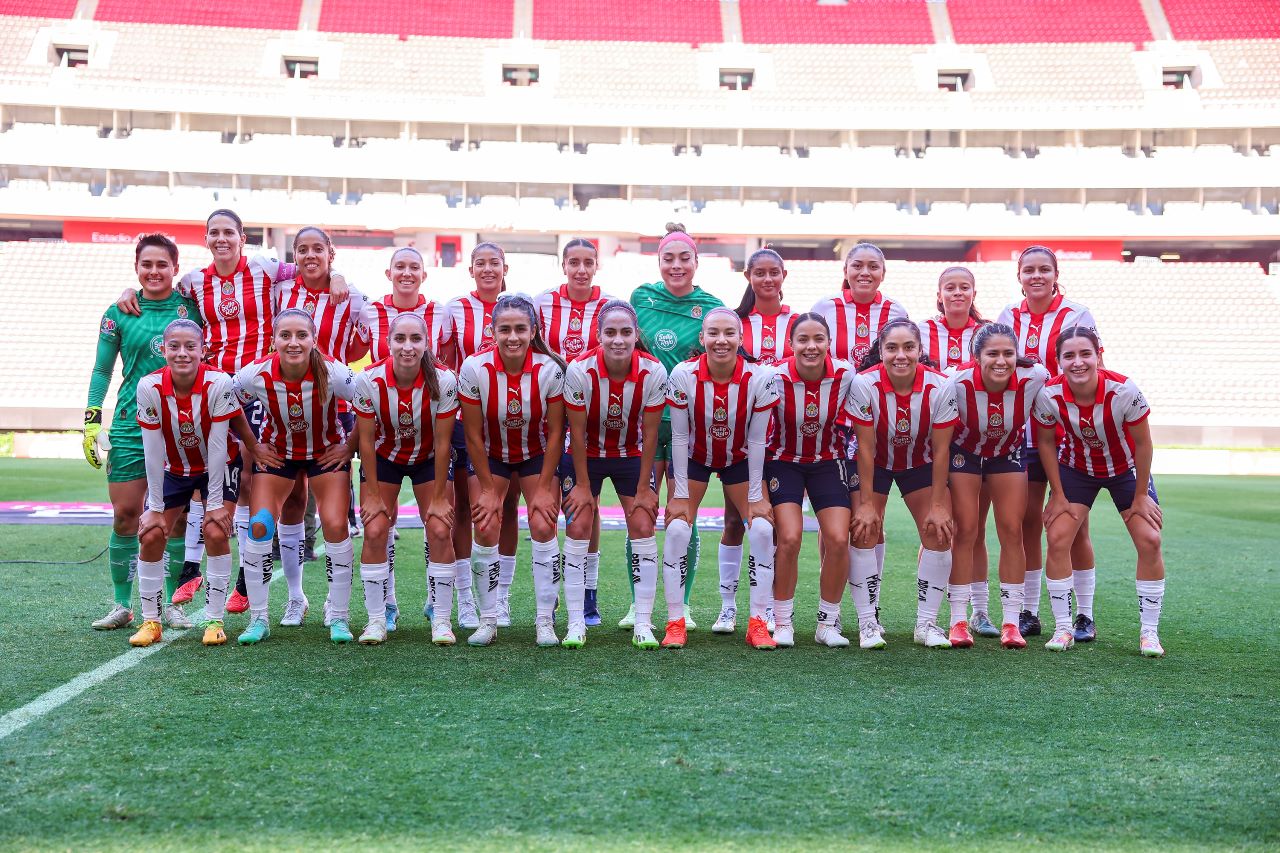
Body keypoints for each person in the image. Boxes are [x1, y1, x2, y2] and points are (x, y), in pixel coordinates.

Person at [113, 209, 329, 615]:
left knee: (249, 476)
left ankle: (246, 582)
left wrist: (336, 278)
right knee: (202, 468)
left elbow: (307, 265)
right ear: (206, 238)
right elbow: (158, 290)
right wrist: (130, 292)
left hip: (259, 386)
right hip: (212, 388)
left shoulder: (266, 268)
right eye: (214, 233)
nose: (221, 239)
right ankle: (192, 568)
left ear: (242, 237)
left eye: (229, 232)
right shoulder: (194, 281)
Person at [84, 233, 203, 631]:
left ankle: (172, 603)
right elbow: (103, 370)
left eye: (162, 264)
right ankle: (122, 604)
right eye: (146, 264)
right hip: (131, 424)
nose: (154, 271)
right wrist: (91, 419)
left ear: (175, 267)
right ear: (137, 267)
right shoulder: (119, 312)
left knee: (177, 517)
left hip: (180, 423)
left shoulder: (190, 308)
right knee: (126, 514)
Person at [1031, 326, 1166, 656]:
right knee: (1058, 537)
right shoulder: (1049, 394)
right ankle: (1064, 627)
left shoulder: (1123, 390)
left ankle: (1149, 633)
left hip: (1125, 470)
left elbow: (1144, 443)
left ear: (1098, 355)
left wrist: (1140, 495)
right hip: (1078, 470)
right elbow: (1046, 443)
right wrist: (1059, 494)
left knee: (1150, 539)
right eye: (1069, 356)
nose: (1078, 362)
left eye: (1085, 354)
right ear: (1059, 361)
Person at [231, 308, 359, 645]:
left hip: (325, 453)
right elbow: (225, 402)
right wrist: (253, 445)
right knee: (259, 525)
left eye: (301, 335)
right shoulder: (255, 374)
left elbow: (371, 400)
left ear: (314, 340)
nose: (293, 342)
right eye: (285, 335)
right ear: (273, 340)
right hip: (278, 454)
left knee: (334, 523)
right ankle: (260, 617)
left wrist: (349, 447)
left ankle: (338, 612)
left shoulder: (333, 373)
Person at [997, 246, 1102, 641]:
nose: (1036, 276)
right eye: (1029, 270)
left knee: (1074, 525)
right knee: (1027, 523)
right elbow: (1004, 364)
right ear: (1019, 276)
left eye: (1044, 269)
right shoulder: (1009, 315)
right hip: (1022, 431)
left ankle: (1084, 615)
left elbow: (1091, 368)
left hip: (1065, 433)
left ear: (1056, 274)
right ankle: (1028, 610)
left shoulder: (1077, 314)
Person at [130, 319, 252, 647]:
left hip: (219, 464)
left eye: (190, 347)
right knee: (152, 533)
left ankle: (214, 619)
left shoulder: (218, 383)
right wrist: (155, 508)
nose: (182, 353)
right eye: (174, 347)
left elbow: (217, 446)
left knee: (214, 530)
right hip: (173, 468)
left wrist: (214, 505)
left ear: (203, 350)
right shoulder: (149, 387)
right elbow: (152, 450)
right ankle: (151, 621)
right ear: (163, 350)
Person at [663, 308, 780, 650]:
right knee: (677, 528)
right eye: (713, 333)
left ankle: (757, 622)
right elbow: (681, 438)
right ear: (702, 339)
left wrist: (757, 495)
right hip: (695, 457)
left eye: (729, 333)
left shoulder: (758, 377)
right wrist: (680, 494)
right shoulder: (683, 374)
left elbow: (758, 440)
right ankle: (674, 621)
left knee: (761, 528)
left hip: (739, 460)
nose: (721, 340)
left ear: (741, 339)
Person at [629, 223, 725, 631]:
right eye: (668, 258)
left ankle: (680, 603)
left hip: (689, 423)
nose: (676, 265)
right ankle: (640, 604)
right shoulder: (640, 298)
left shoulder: (712, 305)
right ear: (659, 262)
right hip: (646, 422)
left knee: (682, 512)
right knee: (642, 512)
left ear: (696, 262)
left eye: (684, 258)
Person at [457, 294, 567, 647]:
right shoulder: (474, 368)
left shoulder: (550, 369)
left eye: (521, 328)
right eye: (504, 329)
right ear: (492, 331)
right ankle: (488, 619)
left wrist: (547, 487)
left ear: (533, 330)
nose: (513, 337)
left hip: (537, 454)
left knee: (541, 520)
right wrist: (488, 488)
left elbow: (555, 434)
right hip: (492, 455)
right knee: (487, 522)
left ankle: (545, 620)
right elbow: (472, 434)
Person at [276, 227, 369, 629]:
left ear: (332, 253)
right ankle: (296, 598)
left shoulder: (351, 296)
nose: (310, 255)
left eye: (318, 249)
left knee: (335, 512)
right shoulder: (279, 290)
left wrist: (341, 279)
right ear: (293, 254)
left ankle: (336, 603)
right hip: (287, 403)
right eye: (303, 249)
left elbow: (365, 344)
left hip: (335, 407)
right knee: (293, 501)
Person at [812, 241, 909, 624]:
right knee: (834, 519)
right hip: (833, 424)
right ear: (846, 270)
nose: (864, 272)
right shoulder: (825, 307)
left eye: (872, 266)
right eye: (857, 265)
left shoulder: (895, 310)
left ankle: (872, 606)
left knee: (873, 517)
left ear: (883, 273)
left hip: (875, 424)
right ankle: (830, 608)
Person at [562, 300, 667, 648]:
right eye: (610, 332)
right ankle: (576, 622)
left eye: (625, 332)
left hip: (631, 454)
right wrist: (580, 484)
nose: (618, 340)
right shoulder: (580, 370)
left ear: (636, 335)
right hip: (586, 454)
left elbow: (650, 433)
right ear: (598, 335)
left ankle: (643, 623)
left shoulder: (653, 371)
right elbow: (575, 433)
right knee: (578, 523)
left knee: (642, 522)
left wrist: (645, 488)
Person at [848, 319, 959, 650]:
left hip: (920, 463)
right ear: (880, 351)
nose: (901, 355)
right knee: (864, 528)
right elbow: (865, 448)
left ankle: (926, 624)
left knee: (940, 531)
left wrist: (939, 505)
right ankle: (868, 622)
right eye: (892, 348)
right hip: (876, 462)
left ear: (920, 350)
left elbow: (942, 451)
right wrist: (866, 503)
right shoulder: (864, 384)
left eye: (908, 347)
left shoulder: (940, 386)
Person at [357, 245, 451, 627]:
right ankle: (381, 615)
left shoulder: (443, 381)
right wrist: (375, 495)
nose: (407, 346)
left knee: (441, 526)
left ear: (428, 342)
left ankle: (440, 614)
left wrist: (442, 496)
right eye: (399, 340)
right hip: (385, 454)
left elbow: (444, 443)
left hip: (428, 454)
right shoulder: (371, 379)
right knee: (377, 525)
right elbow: (365, 442)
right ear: (389, 342)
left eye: (415, 339)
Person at [946, 323, 1050, 650]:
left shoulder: (1034, 379)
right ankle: (958, 621)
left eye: (1008, 353)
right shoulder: (957, 382)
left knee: (1011, 529)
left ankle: (1010, 622)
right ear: (977, 357)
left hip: (1008, 452)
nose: (1001, 360)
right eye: (992, 353)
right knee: (966, 531)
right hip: (965, 453)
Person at [711, 247, 794, 635]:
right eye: (759, 273)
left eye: (773, 272)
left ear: (783, 275)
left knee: (773, 525)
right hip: (744, 439)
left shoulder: (796, 322)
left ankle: (770, 608)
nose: (767, 279)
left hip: (786, 437)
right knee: (736, 520)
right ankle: (729, 607)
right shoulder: (736, 322)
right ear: (748, 276)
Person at [766, 313, 860, 648]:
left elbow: (858, 427)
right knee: (789, 538)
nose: (811, 346)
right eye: (803, 339)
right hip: (783, 463)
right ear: (790, 344)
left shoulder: (845, 374)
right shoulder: (774, 377)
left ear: (829, 342)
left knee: (837, 538)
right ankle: (782, 620)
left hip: (826, 463)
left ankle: (827, 623)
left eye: (818, 338)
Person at [536, 238, 613, 627]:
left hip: (593, 417)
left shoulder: (611, 305)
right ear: (563, 265)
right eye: (574, 262)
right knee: (559, 505)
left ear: (596, 266)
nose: (581, 269)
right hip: (550, 413)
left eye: (588, 262)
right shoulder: (542, 302)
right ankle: (551, 597)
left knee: (590, 505)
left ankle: (587, 596)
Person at [918, 266, 997, 635]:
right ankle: (932, 612)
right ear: (939, 294)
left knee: (973, 529)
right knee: (937, 528)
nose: (957, 293)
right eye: (950, 287)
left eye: (965, 287)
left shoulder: (987, 333)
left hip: (972, 443)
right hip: (930, 444)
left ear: (974, 293)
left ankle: (978, 611)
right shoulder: (921, 331)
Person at [440, 242, 512, 630]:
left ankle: (500, 596)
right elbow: (446, 360)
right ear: (470, 270)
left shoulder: (519, 304)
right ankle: (466, 598)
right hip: (465, 422)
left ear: (505, 267)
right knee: (465, 508)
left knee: (508, 508)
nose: (488, 269)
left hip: (508, 423)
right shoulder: (454, 308)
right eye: (480, 263)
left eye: (494, 263)